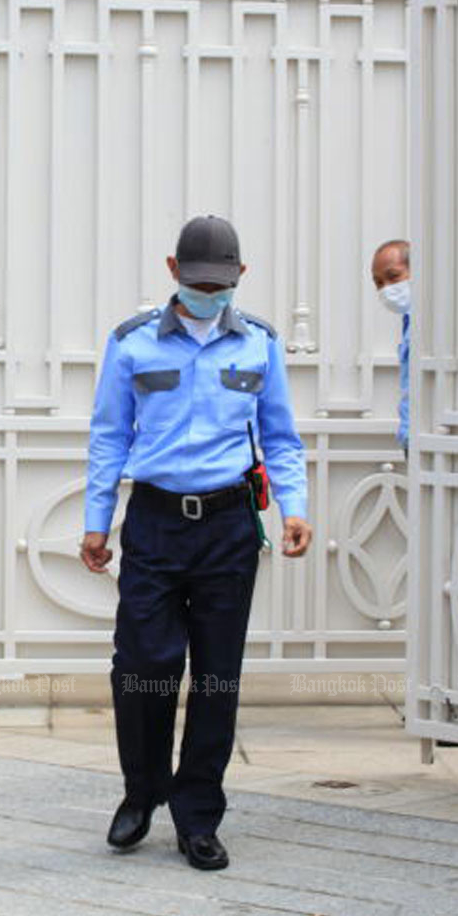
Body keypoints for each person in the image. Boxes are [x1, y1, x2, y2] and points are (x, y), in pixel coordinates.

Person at [80, 215, 311, 872]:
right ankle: (141, 791)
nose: (210, 291)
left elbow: (281, 438)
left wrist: (295, 507)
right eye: (198, 280)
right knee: (142, 665)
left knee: (216, 675)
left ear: (240, 278)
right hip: (154, 521)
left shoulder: (260, 343)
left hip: (228, 524)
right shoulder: (131, 343)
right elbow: (109, 435)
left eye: (222, 282)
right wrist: (98, 520)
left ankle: (199, 813)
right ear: (171, 269)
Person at [370, 240, 412, 451]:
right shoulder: (409, 323)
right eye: (378, 282)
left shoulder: (430, 326)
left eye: (394, 276)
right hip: (411, 439)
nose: (386, 288)